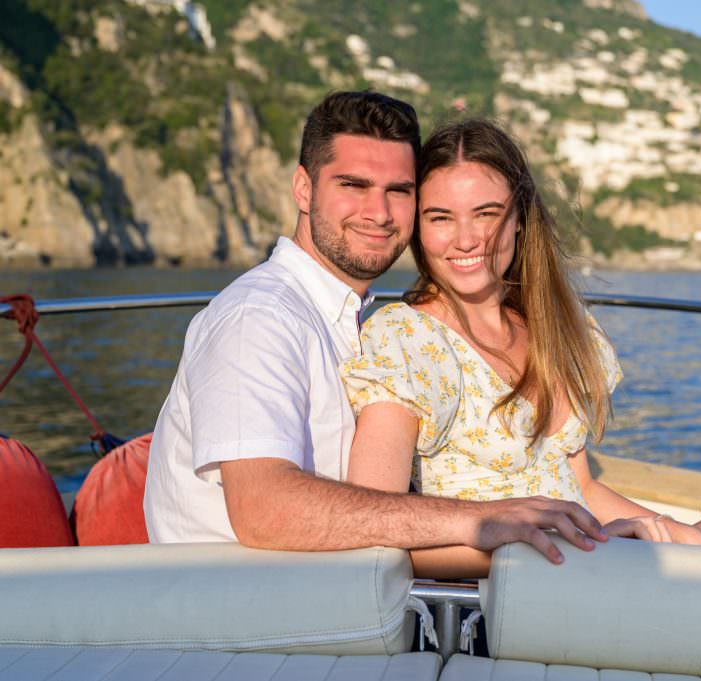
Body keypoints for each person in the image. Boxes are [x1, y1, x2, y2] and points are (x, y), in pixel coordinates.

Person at [144, 92, 607, 566]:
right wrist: (478, 520)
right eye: (353, 185)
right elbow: (263, 510)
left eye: (398, 191)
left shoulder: (345, 319)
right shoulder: (259, 319)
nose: (379, 213)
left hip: (323, 599)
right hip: (250, 618)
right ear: (303, 189)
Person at [341, 118, 701, 577]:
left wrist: (660, 528)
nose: (466, 239)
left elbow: (581, 486)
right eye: (441, 218)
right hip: (518, 591)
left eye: (486, 214)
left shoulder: (552, 330)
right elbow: (376, 529)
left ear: (519, 220)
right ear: (419, 228)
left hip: (586, 559)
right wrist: (540, 548)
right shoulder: (408, 342)